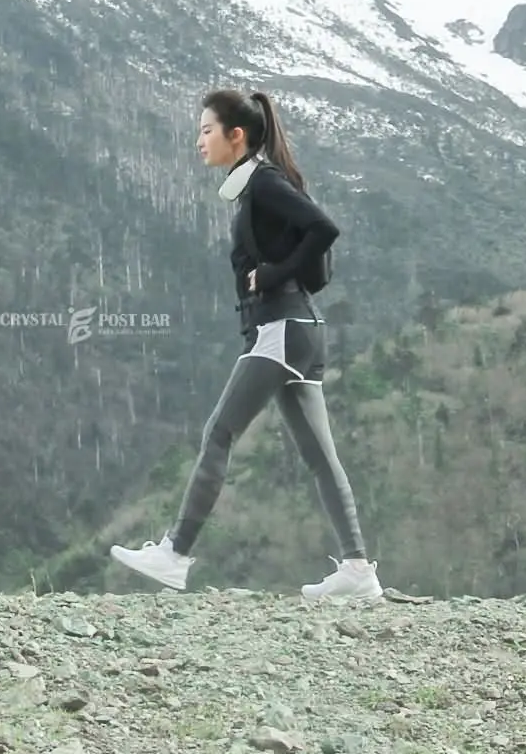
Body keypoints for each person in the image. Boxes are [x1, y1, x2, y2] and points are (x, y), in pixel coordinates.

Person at [109, 87, 382, 602]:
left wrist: (271, 274)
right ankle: (357, 569)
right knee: (320, 456)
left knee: (219, 432)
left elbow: (324, 229)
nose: (199, 140)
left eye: (207, 130)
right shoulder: (257, 186)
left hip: (281, 329)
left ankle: (174, 554)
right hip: (300, 331)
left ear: (237, 136)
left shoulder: (264, 184)